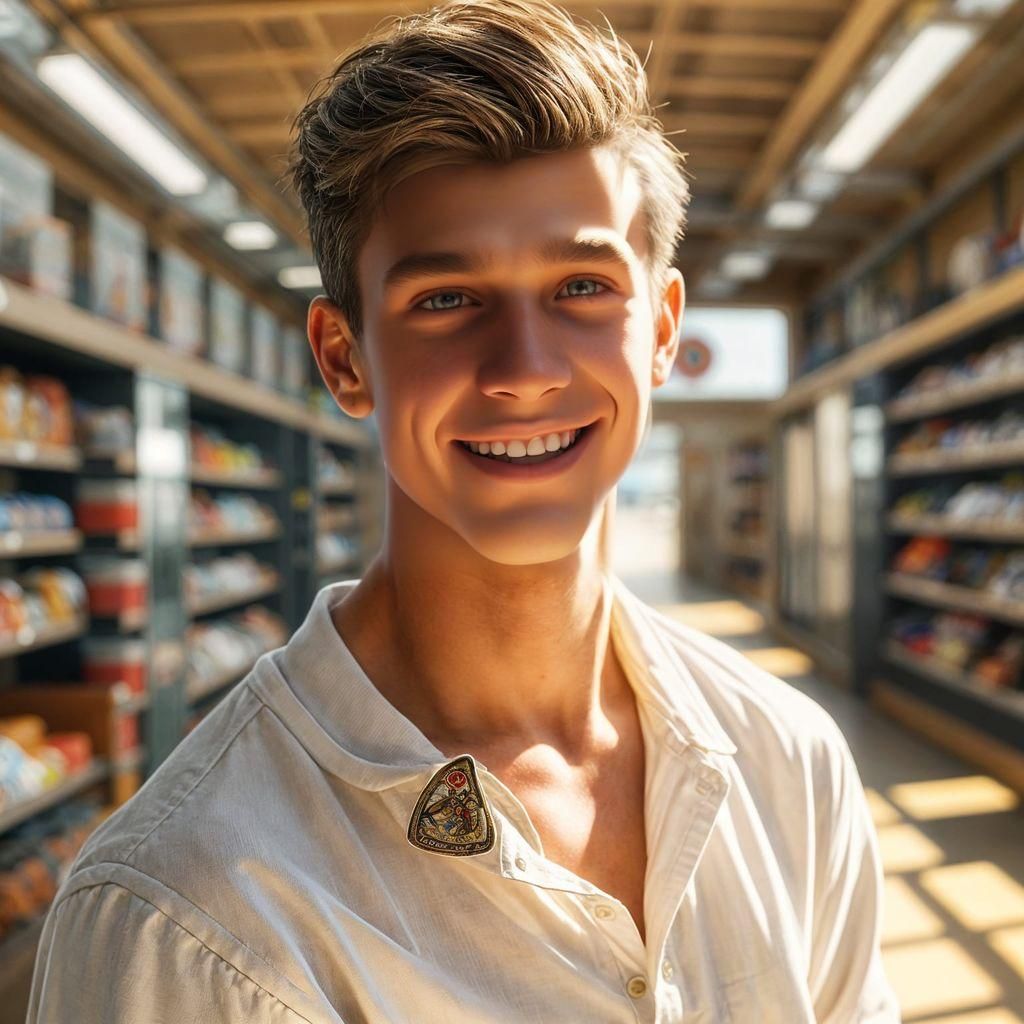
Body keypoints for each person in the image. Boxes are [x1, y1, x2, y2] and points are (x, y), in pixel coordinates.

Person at [27, 2, 901, 1021]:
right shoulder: (180, 914)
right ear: (344, 359)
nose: (524, 371)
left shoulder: (789, 762)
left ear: (661, 330)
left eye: (581, 286)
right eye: (445, 299)